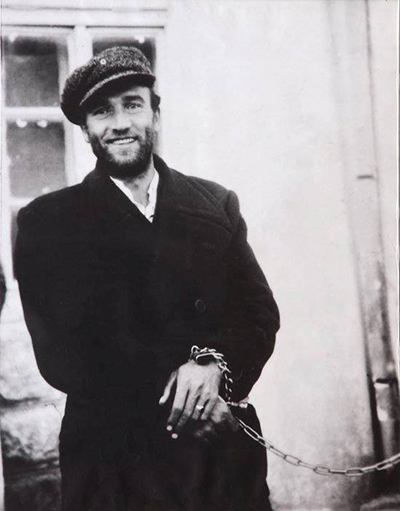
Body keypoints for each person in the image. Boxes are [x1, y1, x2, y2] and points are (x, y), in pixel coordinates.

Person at [15, 46, 280, 511]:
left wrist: (215, 369)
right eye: (102, 111)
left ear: (155, 114)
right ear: (85, 129)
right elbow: (62, 354)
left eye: (132, 105)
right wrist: (188, 397)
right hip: (115, 464)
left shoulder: (214, 204)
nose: (120, 123)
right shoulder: (48, 222)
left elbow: (257, 313)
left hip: (218, 461)